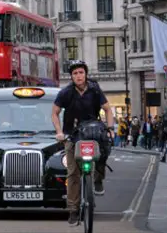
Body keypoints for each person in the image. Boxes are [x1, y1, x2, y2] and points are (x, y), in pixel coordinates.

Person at [51, 60, 115, 226]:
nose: (78, 76)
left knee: (104, 152)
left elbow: (107, 109)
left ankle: (98, 179)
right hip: (72, 135)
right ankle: (73, 210)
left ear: (86, 74)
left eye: (81, 72)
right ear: (71, 77)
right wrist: (59, 132)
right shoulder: (66, 93)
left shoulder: (94, 89)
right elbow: (54, 113)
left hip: (93, 131)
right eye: (75, 73)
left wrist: (110, 128)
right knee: (72, 173)